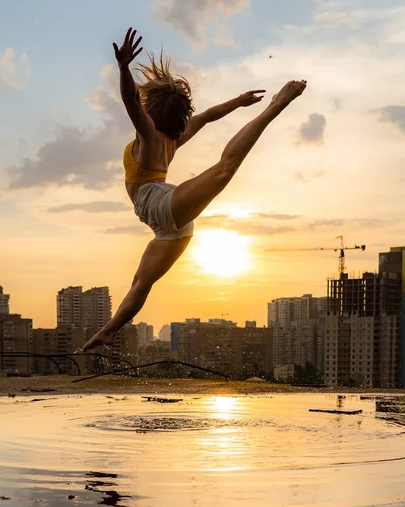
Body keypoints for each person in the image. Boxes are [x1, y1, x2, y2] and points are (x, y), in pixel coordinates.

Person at [80, 28, 306, 353]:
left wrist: (124, 69)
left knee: (225, 169)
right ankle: (108, 331)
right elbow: (209, 116)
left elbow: (130, 100)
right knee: (141, 284)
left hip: (161, 206)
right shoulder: (174, 138)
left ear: (151, 110)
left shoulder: (149, 136)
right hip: (170, 225)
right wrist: (238, 101)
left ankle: (276, 105)